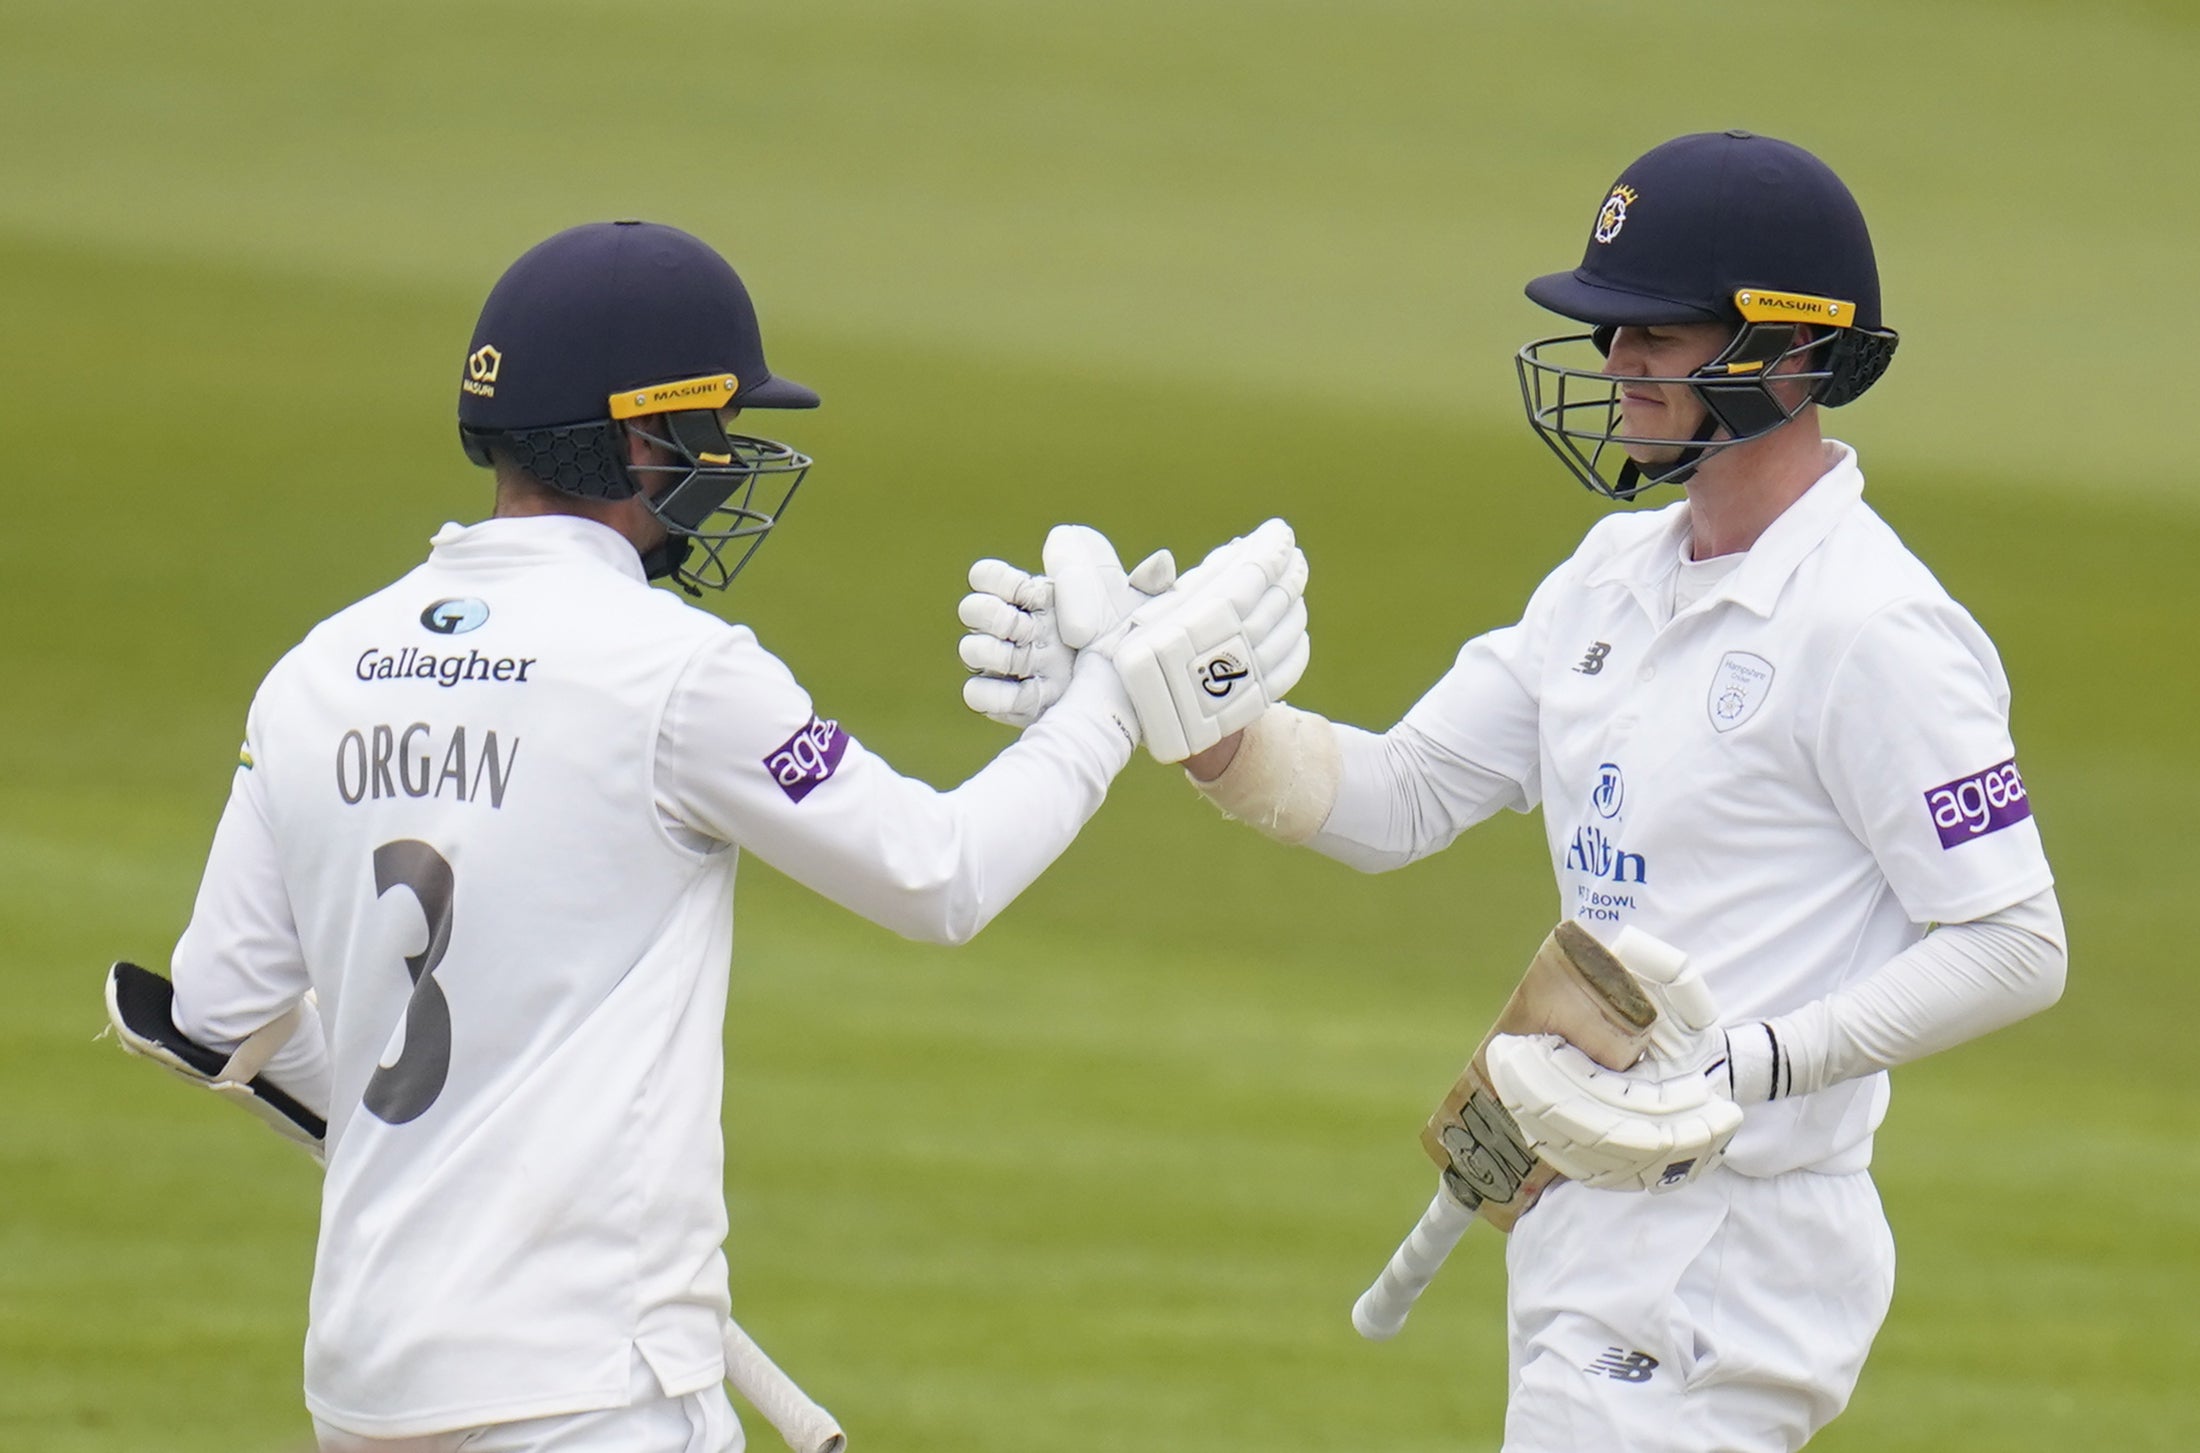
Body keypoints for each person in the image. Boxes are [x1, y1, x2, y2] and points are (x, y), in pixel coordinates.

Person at [101, 219, 1308, 1453]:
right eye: (714, 429)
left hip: (367, 1390)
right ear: (639, 436)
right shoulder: (675, 673)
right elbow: (939, 875)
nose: (728, 462)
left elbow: (219, 1004)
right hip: (591, 1386)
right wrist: (1109, 698)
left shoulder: (316, 672)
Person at [965, 130, 2067, 1451]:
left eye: (1656, 336)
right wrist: (1194, 715)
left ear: (1788, 353)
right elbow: (1399, 797)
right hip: (1580, 1209)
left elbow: (2016, 943)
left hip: (1734, 1242)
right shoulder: (1607, 577)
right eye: (1613, 335)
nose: (1616, 367)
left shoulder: (1875, 627)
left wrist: (1743, 1060)